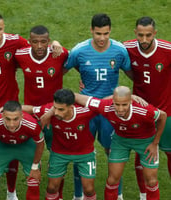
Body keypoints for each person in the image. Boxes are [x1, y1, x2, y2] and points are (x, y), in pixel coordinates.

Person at [0, 13, 61, 200]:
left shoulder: (16, 41)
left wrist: (54, 42)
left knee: (13, 143)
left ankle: (11, 191)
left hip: (10, 105)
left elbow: (38, 46)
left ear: (4, 27)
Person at [64, 13, 132, 200]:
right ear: (91, 31)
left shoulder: (119, 50)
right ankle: (78, 196)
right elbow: (60, 69)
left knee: (113, 151)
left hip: (111, 109)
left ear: (110, 31)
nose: (102, 38)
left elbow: (133, 75)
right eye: (98, 34)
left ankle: (117, 194)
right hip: (86, 108)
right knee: (81, 151)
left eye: (106, 34)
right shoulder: (79, 51)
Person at [75, 86, 166, 200]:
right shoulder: (106, 106)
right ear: (112, 101)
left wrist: (155, 143)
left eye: (124, 105)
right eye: (117, 104)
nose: (120, 109)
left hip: (145, 141)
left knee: (151, 181)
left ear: (131, 102)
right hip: (121, 141)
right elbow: (76, 96)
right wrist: (49, 114)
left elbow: (163, 116)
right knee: (112, 180)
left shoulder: (144, 110)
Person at [15, 25, 68, 199]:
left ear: (49, 41)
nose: (39, 46)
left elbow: (79, 62)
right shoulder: (21, 55)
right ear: (28, 42)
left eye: (43, 42)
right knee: (28, 153)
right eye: (35, 42)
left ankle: (57, 194)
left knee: (58, 153)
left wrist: (57, 43)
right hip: (31, 114)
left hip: (55, 113)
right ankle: (27, 186)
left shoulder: (59, 54)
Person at [123, 16, 171, 200]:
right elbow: (102, 50)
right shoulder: (126, 47)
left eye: (148, 35)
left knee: (169, 151)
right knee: (143, 153)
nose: (144, 40)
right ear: (135, 33)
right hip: (141, 113)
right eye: (140, 35)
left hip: (168, 111)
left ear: (155, 34)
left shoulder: (167, 49)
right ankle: (144, 195)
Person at [23, 89, 97, 200]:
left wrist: (130, 98)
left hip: (85, 153)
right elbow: (31, 109)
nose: (56, 112)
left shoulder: (84, 112)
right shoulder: (49, 111)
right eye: (55, 108)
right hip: (59, 153)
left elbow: (104, 103)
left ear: (71, 107)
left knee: (89, 189)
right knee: (52, 188)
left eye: (61, 109)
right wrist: (5, 108)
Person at [0, 100, 44, 200]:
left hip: (25, 146)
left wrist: (35, 167)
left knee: (33, 181)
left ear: (22, 116)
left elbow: (40, 143)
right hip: (3, 147)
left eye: (15, 119)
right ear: (2, 116)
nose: (11, 124)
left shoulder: (32, 124)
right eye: (8, 119)